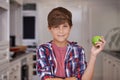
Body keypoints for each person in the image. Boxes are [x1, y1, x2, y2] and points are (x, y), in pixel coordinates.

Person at [36, 7, 106, 80]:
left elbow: (85, 79)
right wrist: (73, 78)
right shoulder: (43, 49)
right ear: (50, 28)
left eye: (65, 26)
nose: (61, 31)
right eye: (56, 27)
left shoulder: (78, 50)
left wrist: (93, 55)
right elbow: (46, 78)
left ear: (70, 27)